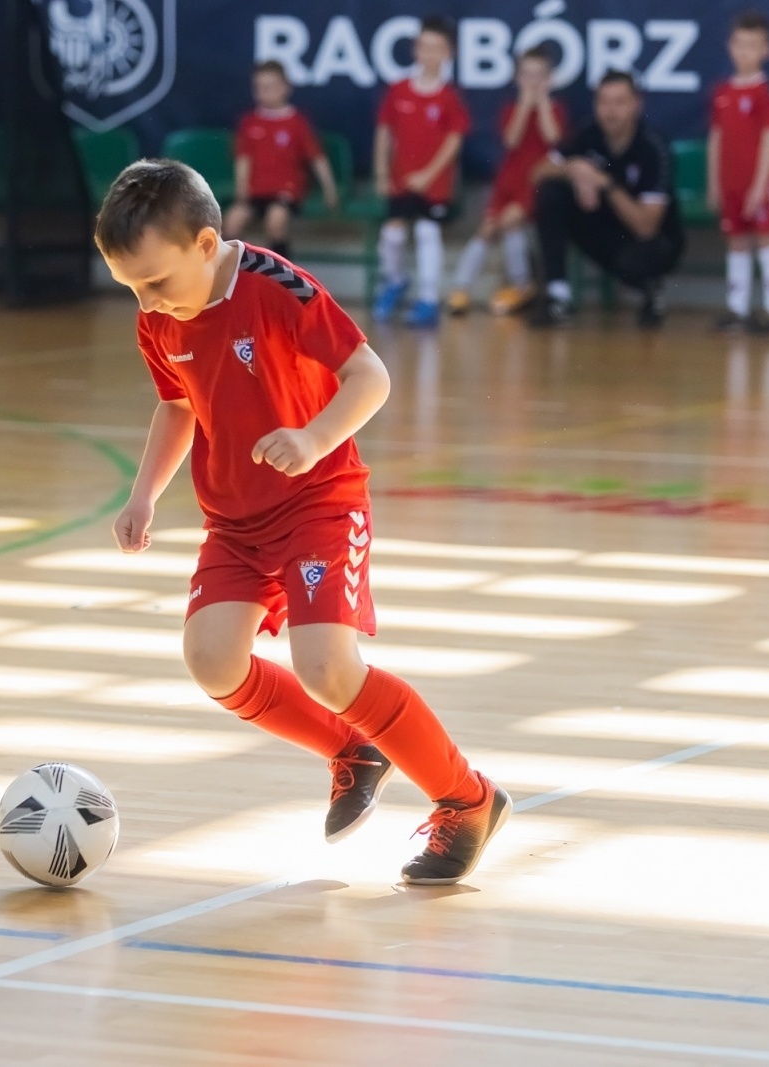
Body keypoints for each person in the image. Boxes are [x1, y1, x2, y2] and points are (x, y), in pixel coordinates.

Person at [95, 159, 512, 885]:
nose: (147, 301)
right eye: (129, 285)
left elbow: (370, 375)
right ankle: (352, 750)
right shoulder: (158, 316)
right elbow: (177, 405)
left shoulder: (276, 287)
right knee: (212, 659)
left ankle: (468, 799)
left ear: (204, 244)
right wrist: (143, 496)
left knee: (326, 665)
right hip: (235, 520)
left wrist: (313, 437)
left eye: (156, 281)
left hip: (319, 500)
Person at [530, 71, 684, 329]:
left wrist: (605, 182)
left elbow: (646, 227)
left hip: (652, 240)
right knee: (550, 193)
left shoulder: (653, 148)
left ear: (637, 104)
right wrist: (576, 170)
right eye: (604, 102)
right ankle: (558, 294)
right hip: (603, 230)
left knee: (639, 258)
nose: (610, 111)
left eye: (619, 102)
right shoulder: (588, 133)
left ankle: (651, 290)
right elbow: (538, 173)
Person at [448, 44, 564, 317]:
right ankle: (460, 289)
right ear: (517, 78)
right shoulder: (511, 108)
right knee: (488, 228)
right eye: (527, 75)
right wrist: (525, 105)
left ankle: (522, 285)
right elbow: (511, 139)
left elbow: (553, 138)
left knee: (512, 223)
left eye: (539, 76)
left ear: (549, 79)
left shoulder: (556, 109)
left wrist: (542, 102)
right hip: (508, 181)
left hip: (535, 184)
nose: (533, 82)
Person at [372, 16, 471, 329]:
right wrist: (381, 171)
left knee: (428, 232)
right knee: (392, 233)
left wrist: (430, 174)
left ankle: (428, 299)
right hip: (401, 178)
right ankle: (396, 280)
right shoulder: (399, 90)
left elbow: (454, 140)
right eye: (424, 47)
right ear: (415, 49)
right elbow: (385, 132)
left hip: (435, 183)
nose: (430, 55)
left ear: (448, 53)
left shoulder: (448, 97)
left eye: (437, 49)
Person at [709, 10, 769, 333]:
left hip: (759, 185)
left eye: (753, 46)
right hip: (730, 184)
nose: (745, 52)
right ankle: (736, 308)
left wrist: (760, 185)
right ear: (729, 46)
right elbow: (716, 139)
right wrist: (713, 182)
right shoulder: (722, 94)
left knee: (767, 241)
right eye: (740, 44)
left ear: (767, 50)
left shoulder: (764, 95)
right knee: (736, 243)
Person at [223, 60, 339, 263]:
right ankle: (238, 277)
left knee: (276, 221)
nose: (265, 92)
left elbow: (317, 158)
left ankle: (282, 277)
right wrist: (241, 190)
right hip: (255, 191)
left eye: (271, 86)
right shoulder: (249, 122)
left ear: (286, 87)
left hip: (286, 191)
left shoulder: (297, 122)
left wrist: (330, 189)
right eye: (260, 87)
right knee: (231, 222)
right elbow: (243, 160)